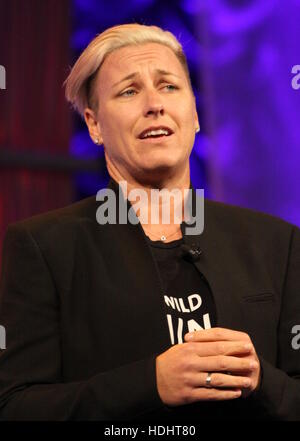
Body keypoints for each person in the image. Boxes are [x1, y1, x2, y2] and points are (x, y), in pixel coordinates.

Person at [0, 23, 299, 421]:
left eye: (169, 86)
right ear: (94, 125)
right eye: (129, 91)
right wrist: (151, 383)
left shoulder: (277, 243)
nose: (154, 104)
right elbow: (15, 406)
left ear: (193, 113)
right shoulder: (43, 246)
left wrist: (261, 378)